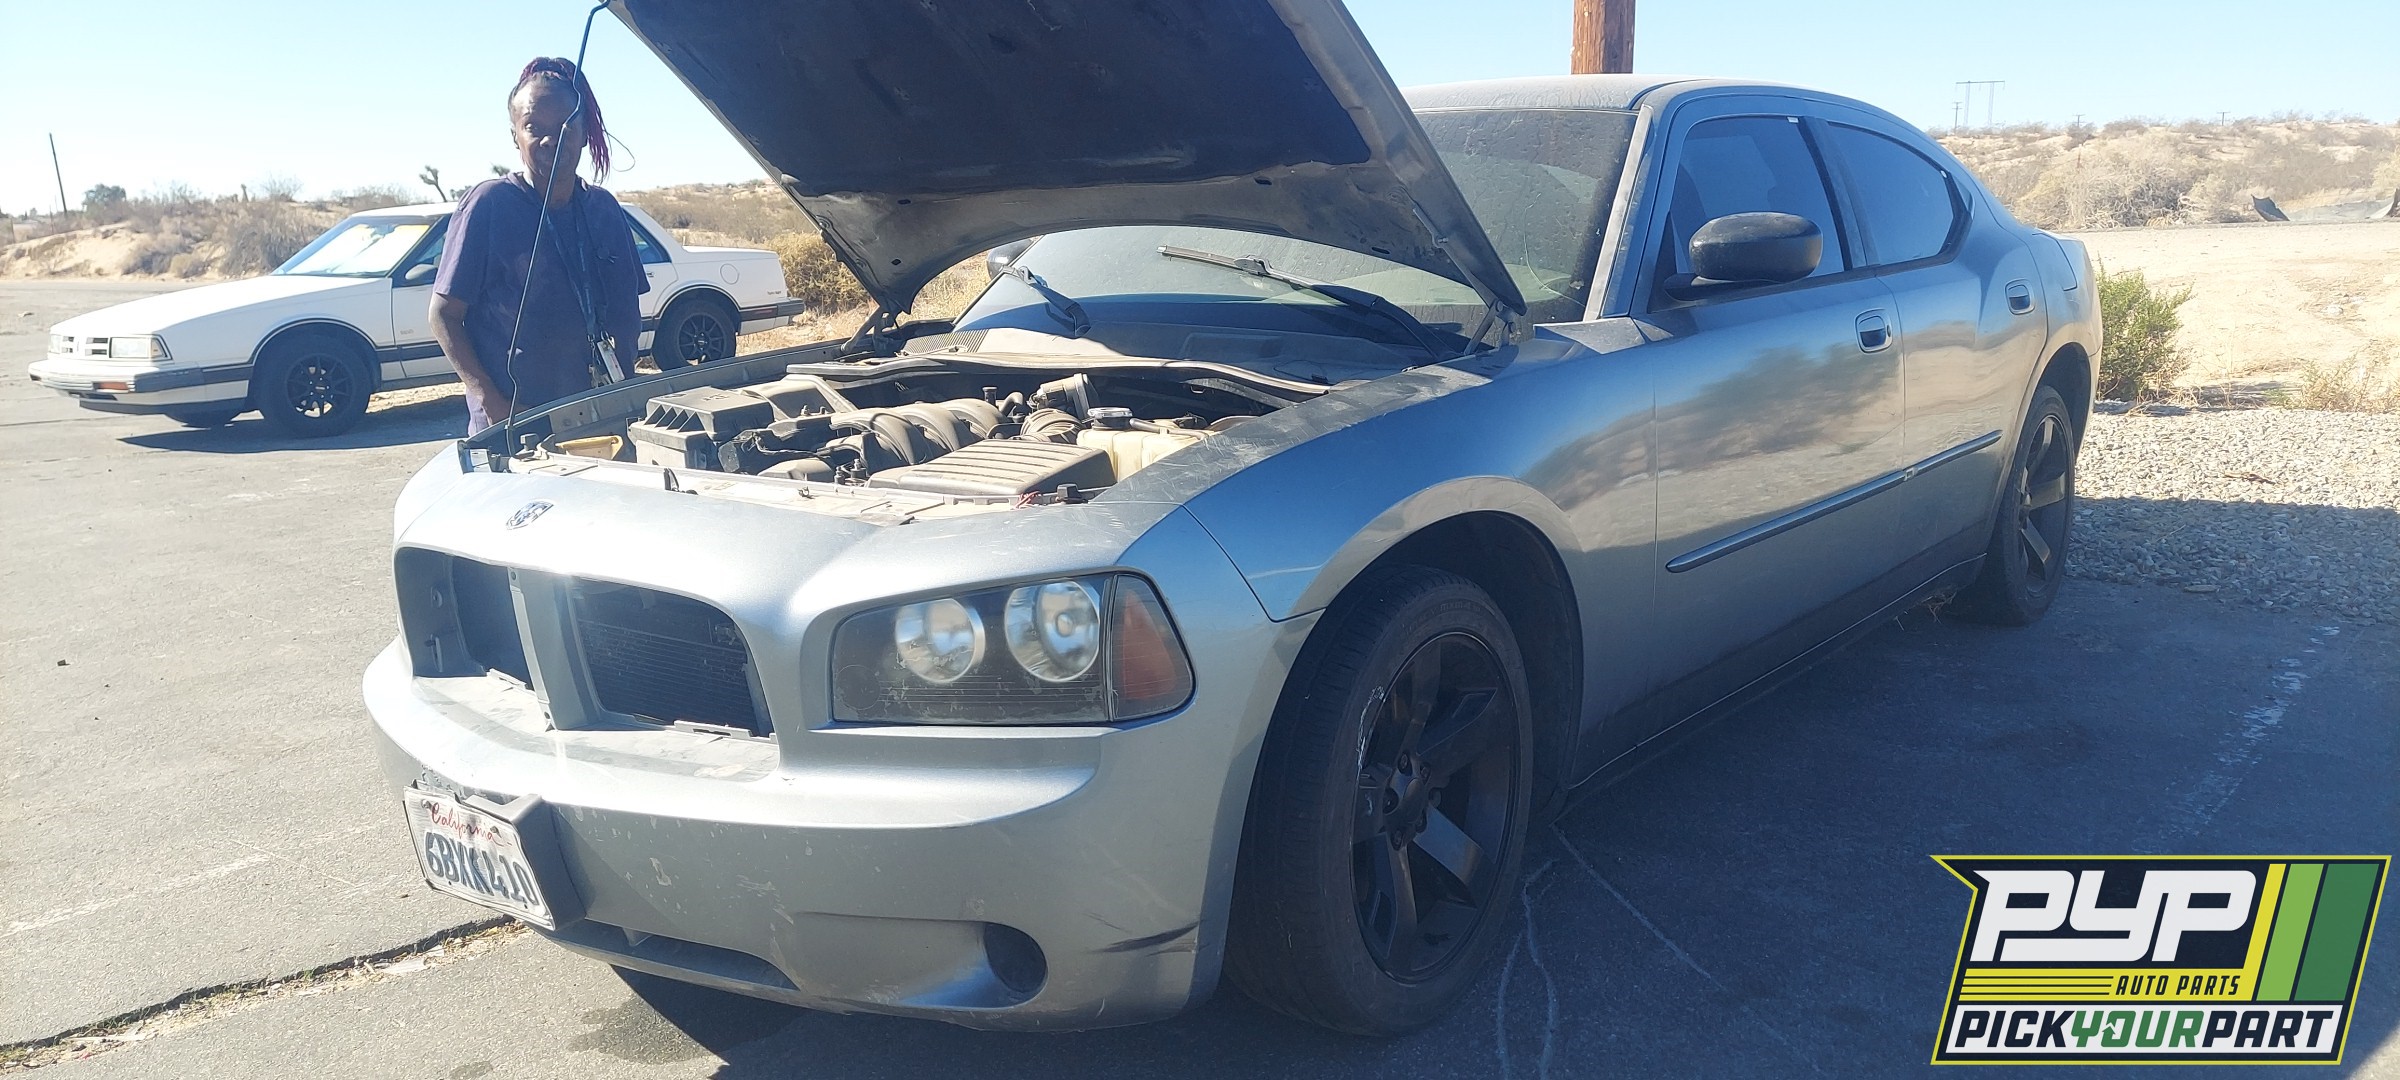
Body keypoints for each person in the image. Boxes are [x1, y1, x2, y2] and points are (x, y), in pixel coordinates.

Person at [432, 58, 646, 434]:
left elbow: (627, 311)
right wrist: (492, 402)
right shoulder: (489, 205)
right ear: (515, 135)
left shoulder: (604, 209)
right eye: (534, 127)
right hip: (519, 423)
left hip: (604, 415)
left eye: (565, 125)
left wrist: (624, 384)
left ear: (583, 131)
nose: (552, 139)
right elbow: (444, 315)